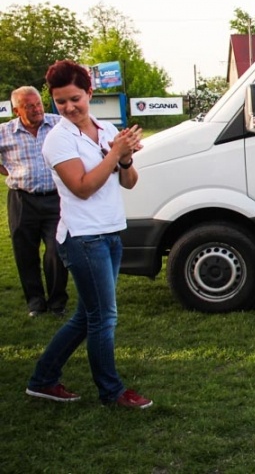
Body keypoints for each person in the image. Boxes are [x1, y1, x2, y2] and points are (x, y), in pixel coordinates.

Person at [25, 60, 152, 408]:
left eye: (75, 99)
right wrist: (115, 153)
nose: (68, 107)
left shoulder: (107, 129)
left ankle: (43, 379)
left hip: (110, 232)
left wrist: (125, 158)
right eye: (60, 101)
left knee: (88, 315)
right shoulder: (58, 140)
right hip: (83, 237)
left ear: (90, 93)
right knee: (104, 318)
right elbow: (81, 188)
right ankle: (111, 391)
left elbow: (129, 181)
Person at [0, 86, 69, 317]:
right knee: (25, 252)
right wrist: (8, 170)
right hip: (22, 199)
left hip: (55, 198)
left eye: (38, 103)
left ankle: (57, 302)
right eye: (29, 106)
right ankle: (36, 303)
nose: (36, 109)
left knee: (57, 249)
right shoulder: (5, 132)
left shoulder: (59, 124)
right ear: (17, 110)